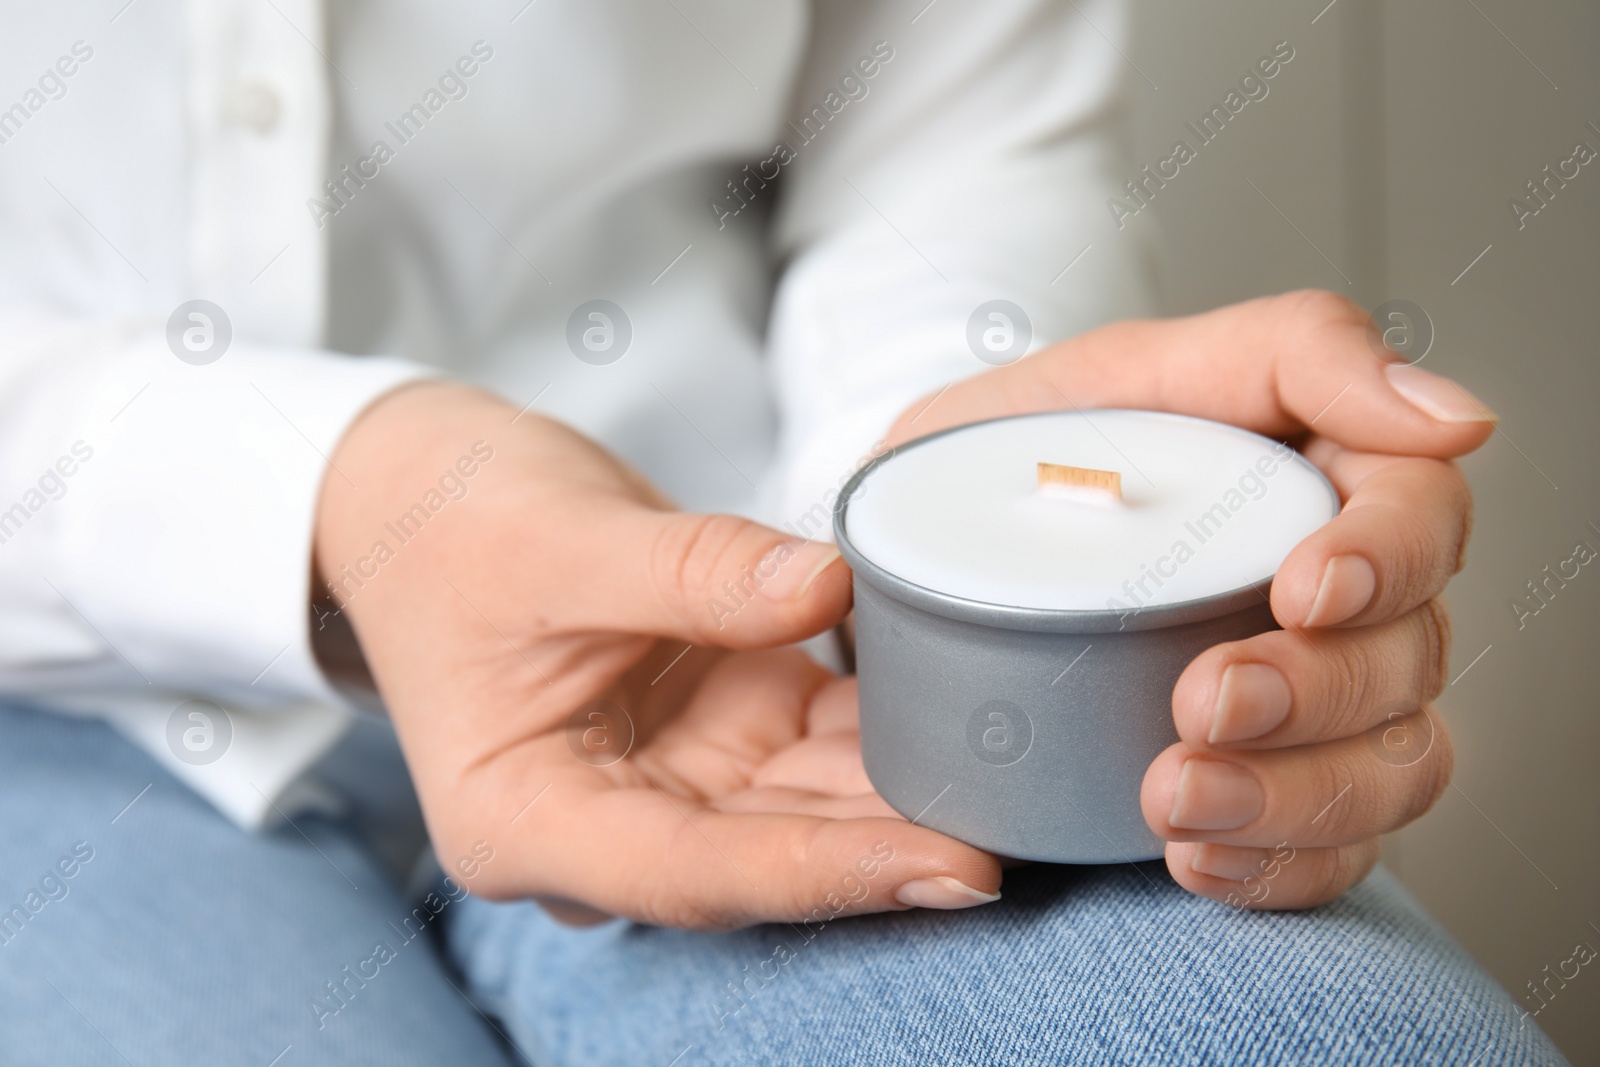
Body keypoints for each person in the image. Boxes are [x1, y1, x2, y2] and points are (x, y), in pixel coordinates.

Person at [0, 1, 1566, 1063]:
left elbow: (943, 119)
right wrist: (329, 501)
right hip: (57, 704)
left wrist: (944, 486)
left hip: (747, 662)